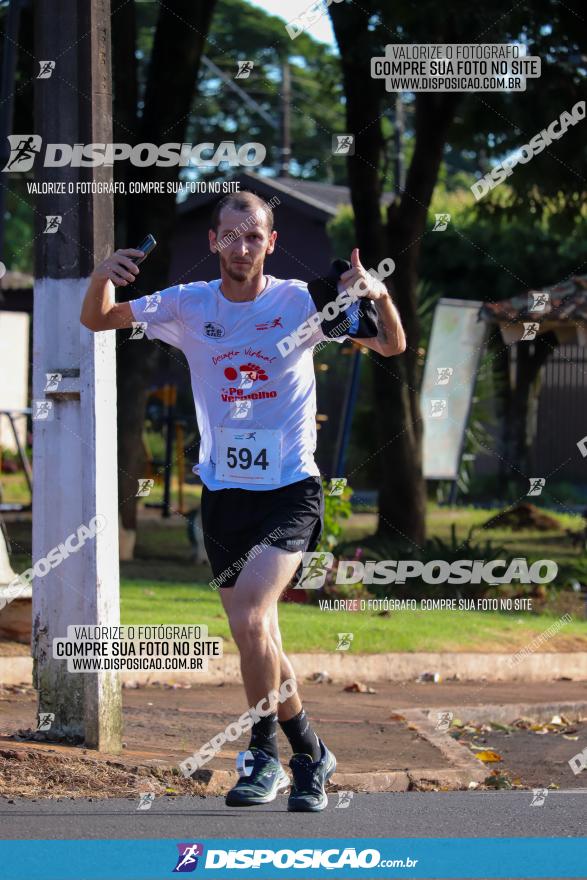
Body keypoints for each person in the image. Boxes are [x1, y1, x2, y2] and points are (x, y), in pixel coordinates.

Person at [80, 190, 406, 811]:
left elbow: (391, 345)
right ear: (213, 243)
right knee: (258, 636)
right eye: (230, 236)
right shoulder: (185, 304)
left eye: (253, 236)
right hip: (224, 495)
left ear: (270, 243)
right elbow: (98, 319)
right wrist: (102, 276)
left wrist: (378, 293)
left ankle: (263, 755)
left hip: (289, 491)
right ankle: (309, 754)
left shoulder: (301, 302)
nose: (241, 247)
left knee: (253, 620)